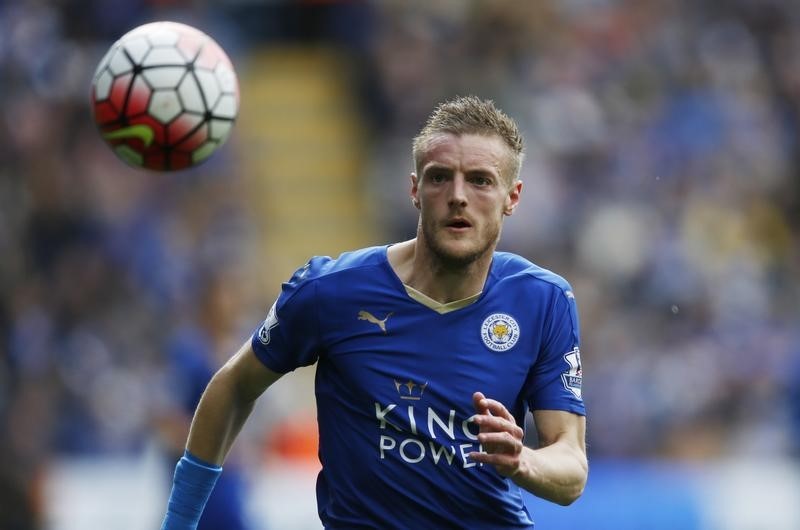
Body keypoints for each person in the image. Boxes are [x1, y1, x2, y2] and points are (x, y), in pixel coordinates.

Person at [161, 95, 588, 529]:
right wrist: (178, 524)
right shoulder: (329, 291)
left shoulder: (543, 300)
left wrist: (524, 462)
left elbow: (571, 465)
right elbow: (234, 387)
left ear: (512, 197)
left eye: (480, 180)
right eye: (440, 177)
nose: (458, 196)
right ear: (415, 189)